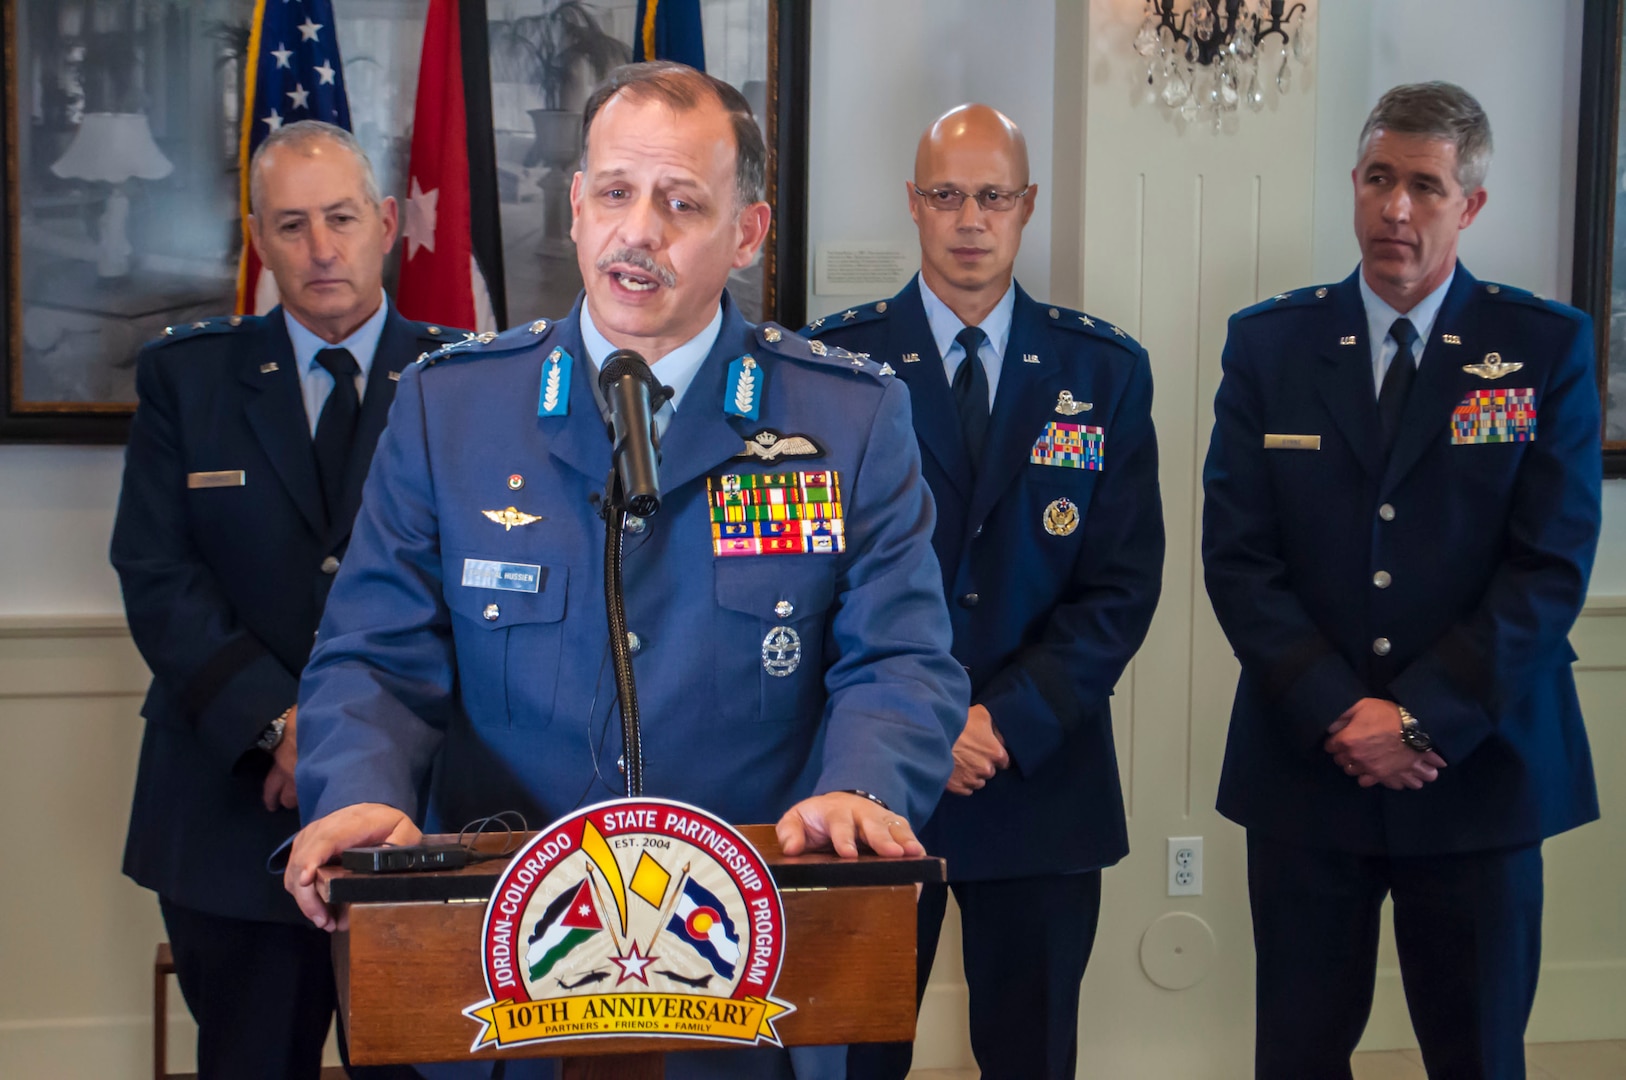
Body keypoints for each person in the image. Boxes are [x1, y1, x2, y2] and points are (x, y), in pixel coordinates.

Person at [282, 62, 968, 1079]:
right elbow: (372, 661)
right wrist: (357, 787)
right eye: (615, 192)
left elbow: (901, 660)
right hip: (501, 981)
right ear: (576, 206)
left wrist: (860, 784)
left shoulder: (848, 420)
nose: (637, 230)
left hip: (753, 978)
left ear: (745, 232)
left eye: (680, 202)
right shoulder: (451, 410)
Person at [1202, 82, 1603, 1079]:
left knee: (1476, 1054)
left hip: (1478, 771)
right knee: (1297, 1053)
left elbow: (1549, 566)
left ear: (1468, 205)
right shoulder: (1272, 344)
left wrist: (1420, 719)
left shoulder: (1543, 348)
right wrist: (1346, 715)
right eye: (1380, 179)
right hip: (1308, 770)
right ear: (1353, 185)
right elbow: (1239, 556)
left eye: (1425, 186)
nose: (1396, 209)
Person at [808, 104, 1166, 1080]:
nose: (972, 219)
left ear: (1028, 205)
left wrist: (1000, 722)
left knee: (1033, 1057)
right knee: (852, 1058)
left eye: (994, 196)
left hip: (1039, 776)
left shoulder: (1104, 371)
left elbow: (1121, 587)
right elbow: (804, 582)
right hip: (874, 782)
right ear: (914, 206)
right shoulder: (832, 368)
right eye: (948, 195)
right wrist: (929, 725)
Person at [112, 120, 449, 1079]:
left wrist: (343, 741)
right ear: (261, 241)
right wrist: (280, 727)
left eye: (342, 217)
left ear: (386, 223)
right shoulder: (192, 378)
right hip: (232, 813)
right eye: (292, 225)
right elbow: (157, 575)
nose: (322, 248)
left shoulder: (468, 379)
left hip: (418, 807)